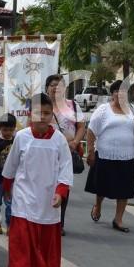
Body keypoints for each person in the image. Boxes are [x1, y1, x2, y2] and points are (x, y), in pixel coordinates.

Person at [1, 93, 73, 267]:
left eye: (47, 113)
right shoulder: (22, 136)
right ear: (30, 114)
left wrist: (61, 192)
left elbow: (65, 168)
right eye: (37, 112)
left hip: (48, 199)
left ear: (52, 114)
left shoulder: (59, 139)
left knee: (43, 241)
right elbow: (11, 165)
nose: (42, 117)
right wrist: (7, 187)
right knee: (22, 241)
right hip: (24, 197)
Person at [84, 80, 134, 233]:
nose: (120, 94)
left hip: (128, 156)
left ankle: (118, 219)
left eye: (123, 91)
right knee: (102, 186)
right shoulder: (103, 110)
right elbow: (91, 131)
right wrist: (90, 151)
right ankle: (98, 205)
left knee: (124, 189)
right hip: (105, 154)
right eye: (117, 91)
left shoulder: (133, 109)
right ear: (112, 94)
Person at [45, 74, 86, 236]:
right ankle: (44, 219)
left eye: (59, 85)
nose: (56, 88)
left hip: (67, 152)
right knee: (45, 184)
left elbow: (81, 126)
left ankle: (59, 223)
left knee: (63, 185)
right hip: (45, 152)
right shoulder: (41, 105)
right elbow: (31, 125)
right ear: (47, 88)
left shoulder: (73, 106)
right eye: (52, 84)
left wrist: (75, 142)